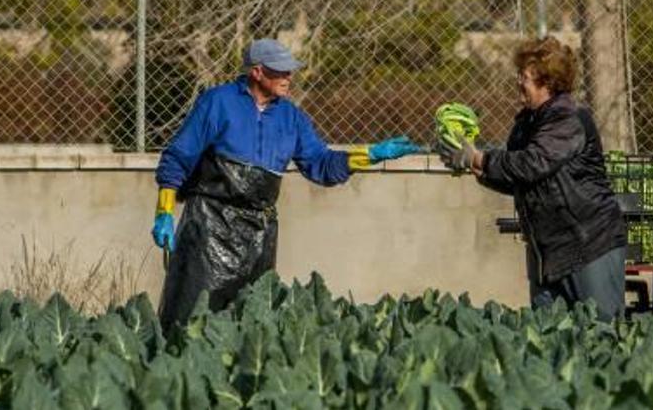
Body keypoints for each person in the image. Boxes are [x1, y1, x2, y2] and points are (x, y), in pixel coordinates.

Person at [152, 38, 420, 327]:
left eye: (290, 71)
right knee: (188, 320)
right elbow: (178, 158)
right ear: (257, 72)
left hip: (259, 236)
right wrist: (164, 213)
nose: (289, 77)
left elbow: (322, 165)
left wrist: (374, 154)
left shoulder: (292, 118)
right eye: (280, 71)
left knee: (248, 324)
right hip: (208, 228)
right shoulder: (218, 102)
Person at [438, 37, 627, 322]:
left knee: (601, 333)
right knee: (547, 341)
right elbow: (518, 177)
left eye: (524, 77)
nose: (518, 82)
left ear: (547, 83)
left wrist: (479, 158)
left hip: (589, 245)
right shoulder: (526, 123)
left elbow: (532, 163)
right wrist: (474, 166)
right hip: (547, 252)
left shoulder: (568, 119)